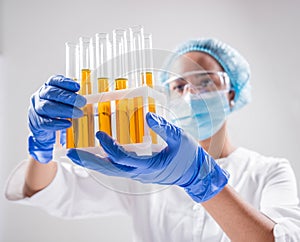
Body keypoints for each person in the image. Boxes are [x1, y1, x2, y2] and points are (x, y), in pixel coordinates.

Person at [5, 38, 300, 242]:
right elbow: (56, 192)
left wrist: (200, 179)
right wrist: (42, 149)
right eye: (179, 85)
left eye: (205, 81)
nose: (190, 94)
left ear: (232, 93)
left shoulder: (269, 171)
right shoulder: (143, 162)